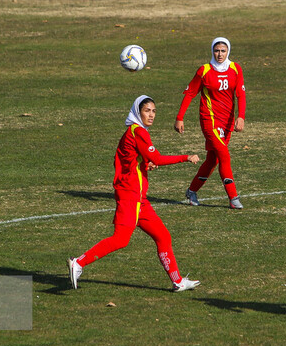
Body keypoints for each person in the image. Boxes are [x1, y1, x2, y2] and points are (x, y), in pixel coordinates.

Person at [68, 96, 201, 292]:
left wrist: (146, 163)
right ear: (138, 112)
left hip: (139, 199)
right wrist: (186, 157)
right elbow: (155, 157)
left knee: (163, 236)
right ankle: (78, 263)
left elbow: (133, 159)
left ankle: (177, 281)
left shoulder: (136, 131)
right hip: (129, 196)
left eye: (154, 111)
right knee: (121, 239)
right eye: (147, 110)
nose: (151, 115)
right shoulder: (137, 131)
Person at [174, 37, 247, 209]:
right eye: (216, 50)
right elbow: (190, 93)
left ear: (228, 51)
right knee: (224, 155)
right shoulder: (204, 70)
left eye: (223, 50)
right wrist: (179, 117)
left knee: (212, 160)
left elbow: (241, 95)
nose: (220, 54)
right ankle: (233, 197)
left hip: (227, 122)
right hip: (210, 121)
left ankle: (191, 192)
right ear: (212, 51)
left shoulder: (235, 69)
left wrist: (241, 116)